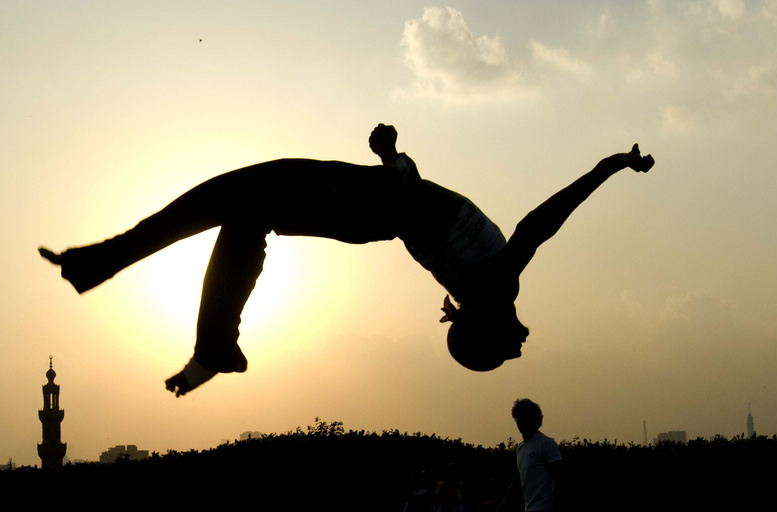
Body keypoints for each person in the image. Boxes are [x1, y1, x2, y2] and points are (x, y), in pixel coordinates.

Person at [40, 124, 654, 396]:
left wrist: (610, 167)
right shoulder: (489, 289)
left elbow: (540, 221)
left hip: (367, 204)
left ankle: (121, 275)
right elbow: (524, 223)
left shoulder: (496, 284)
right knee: (241, 209)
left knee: (236, 196)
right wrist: (394, 159)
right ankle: (206, 339)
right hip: (370, 206)